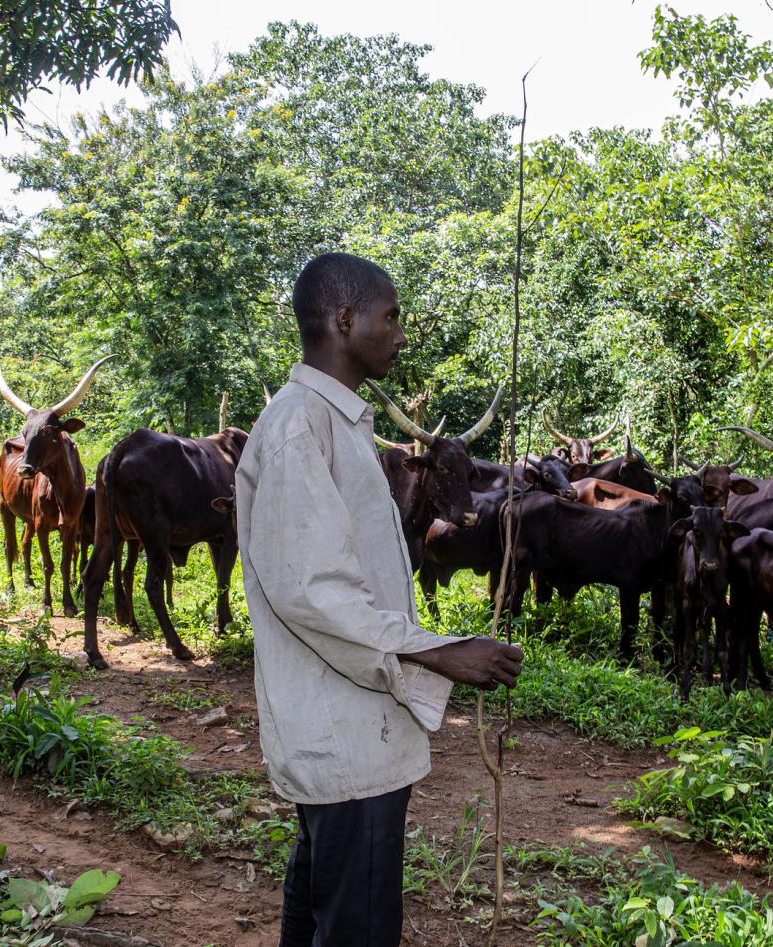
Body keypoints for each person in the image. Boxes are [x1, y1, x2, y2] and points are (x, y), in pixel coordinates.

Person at [234, 252, 523, 946]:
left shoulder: (335, 423)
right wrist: (443, 652)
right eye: (390, 317)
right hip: (346, 744)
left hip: (352, 735)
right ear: (344, 319)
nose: (399, 333)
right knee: (356, 926)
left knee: (324, 910)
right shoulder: (301, 425)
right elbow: (316, 592)